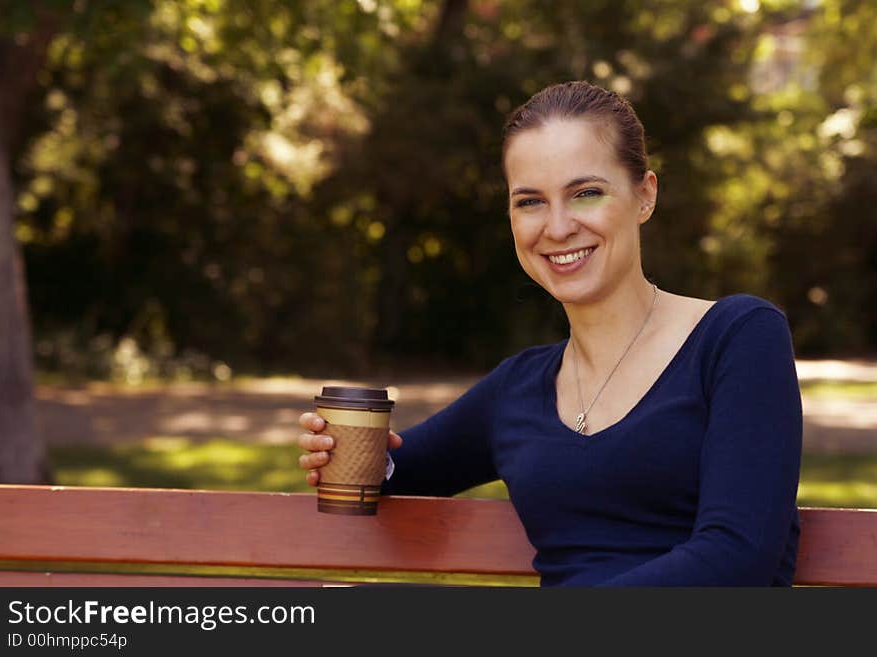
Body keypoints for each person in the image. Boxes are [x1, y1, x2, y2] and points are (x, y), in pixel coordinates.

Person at [297, 80, 803, 586]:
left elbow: (738, 557)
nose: (557, 227)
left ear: (644, 195)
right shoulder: (519, 388)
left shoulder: (737, 338)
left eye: (585, 194)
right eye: (531, 201)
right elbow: (399, 472)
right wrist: (349, 454)